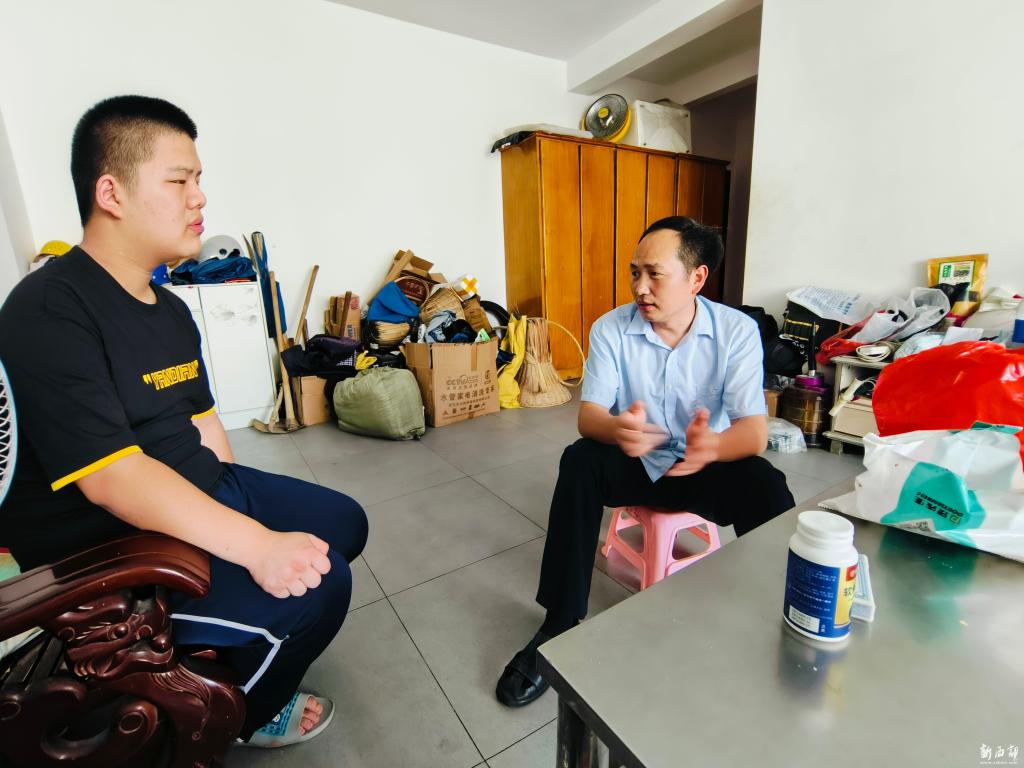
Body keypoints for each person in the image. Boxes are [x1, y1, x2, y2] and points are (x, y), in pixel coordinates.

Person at [0, 95, 368, 748]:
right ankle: (238, 716)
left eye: (198, 178)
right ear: (110, 193)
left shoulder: (169, 308)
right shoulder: (49, 309)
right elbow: (113, 479)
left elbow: (203, 423)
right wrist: (254, 546)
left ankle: (228, 644)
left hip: (192, 484)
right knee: (324, 586)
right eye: (179, 180)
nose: (200, 197)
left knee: (345, 523)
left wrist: (240, 510)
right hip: (108, 540)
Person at [495, 216, 795, 707]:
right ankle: (558, 624)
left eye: (655, 274)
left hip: (703, 466)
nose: (640, 287)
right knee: (580, 462)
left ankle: (790, 617)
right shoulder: (611, 328)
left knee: (765, 483)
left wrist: (712, 447)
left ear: (696, 278)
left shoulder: (736, 332)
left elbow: (753, 432)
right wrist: (619, 429)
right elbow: (590, 416)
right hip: (637, 461)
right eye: (635, 272)